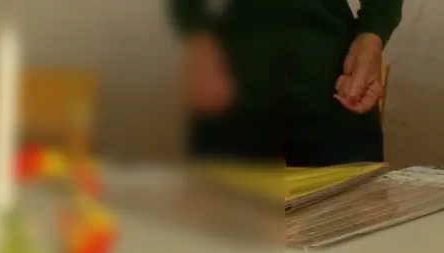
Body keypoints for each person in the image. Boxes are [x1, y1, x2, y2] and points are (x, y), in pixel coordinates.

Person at [169, 0, 403, 166]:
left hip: (334, 97)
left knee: (360, 229)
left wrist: (371, 36)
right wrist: (197, 36)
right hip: (230, 99)